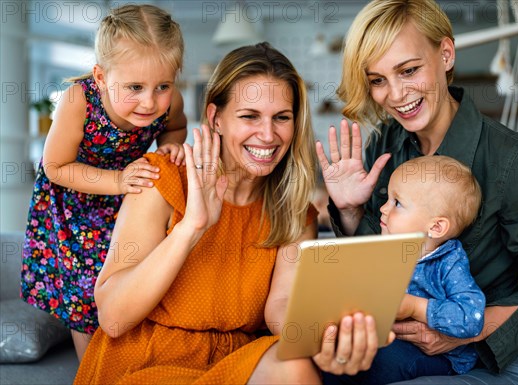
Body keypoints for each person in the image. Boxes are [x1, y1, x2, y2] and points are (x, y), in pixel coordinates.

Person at [316, 1, 518, 384]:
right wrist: (351, 210)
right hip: (403, 348)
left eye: (409, 70)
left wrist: (457, 332)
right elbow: (382, 262)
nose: (395, 94)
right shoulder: (385, 144)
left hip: (493, 360)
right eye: (377, 80)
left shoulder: (512, 159)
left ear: (446, 54)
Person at [74, 41, 365, 384]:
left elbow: (282, 304)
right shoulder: (160, 178)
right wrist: (192, 227)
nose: (268, 135)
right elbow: (113, 318)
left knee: (295, 365)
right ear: (216, 118)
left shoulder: (294, 211)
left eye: (282, 118)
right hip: (147, 362)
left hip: (233, 362)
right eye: (249, 116)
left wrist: (320, 340)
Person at [20, 4, 187, 361]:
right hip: (75, 200)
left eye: (163, 86)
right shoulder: (78, 99)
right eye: (134, 87)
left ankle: (130, 354)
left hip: (127, 197)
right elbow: (54, 166)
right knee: (85, 288)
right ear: (100, 77)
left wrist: (171, 147)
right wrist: (117, 180)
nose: (149, 101)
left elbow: (175, 128)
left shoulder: (171, 104)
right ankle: (91, 368)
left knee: (132, 278)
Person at [324, 155, 486, 384]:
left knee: (380, 360)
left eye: (397, 203)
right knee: (338, 349)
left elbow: (471, 318)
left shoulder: (448, 263)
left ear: (436, 226)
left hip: (437, 357)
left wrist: (414, 307)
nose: (383, 208)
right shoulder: (387, 249)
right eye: (387, 199)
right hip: (387, 340)